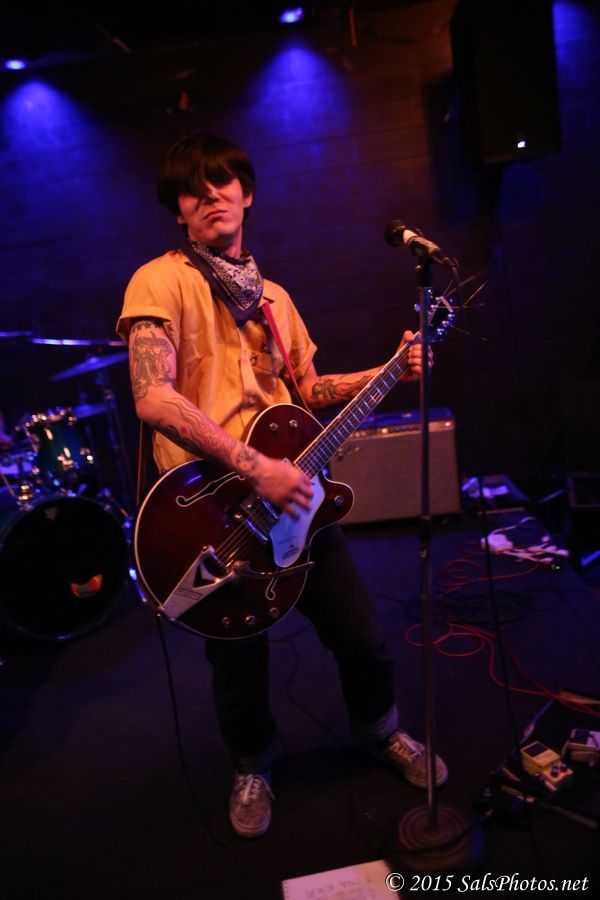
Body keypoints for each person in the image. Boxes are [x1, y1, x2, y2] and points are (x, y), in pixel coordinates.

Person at [117, 133, 447, 839]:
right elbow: (152, 396)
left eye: (222, 181)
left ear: (247, 193)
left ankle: (381, 730)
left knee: (361, 635)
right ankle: (252, 765)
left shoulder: (275, 300)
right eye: (192, 188)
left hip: (294, 500)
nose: (210, 194)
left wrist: (388, 369)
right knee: (237, 659)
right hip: (214, 510)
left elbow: (309, 388)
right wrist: (253, 465)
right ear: (178, 210)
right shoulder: (159, 281)